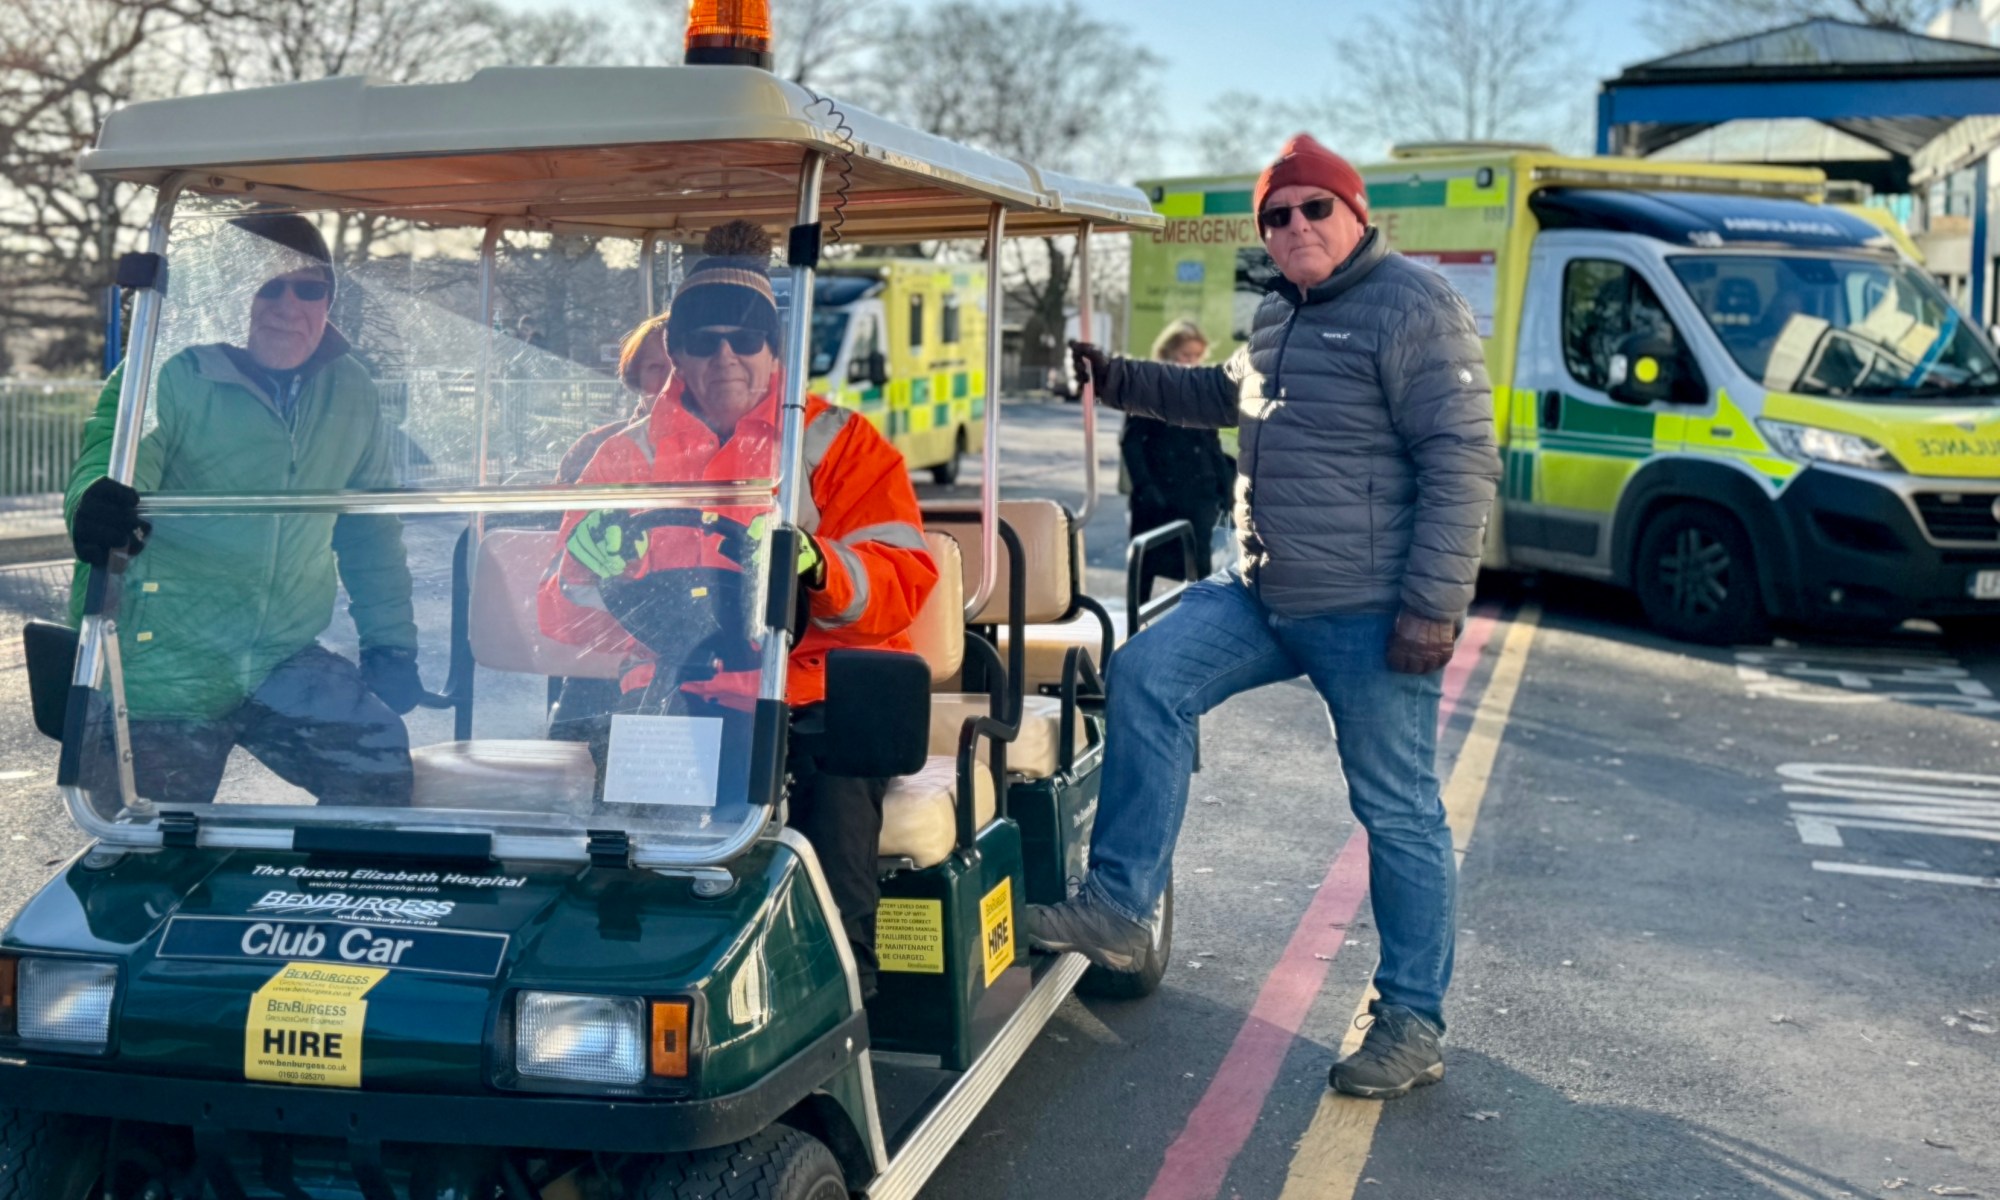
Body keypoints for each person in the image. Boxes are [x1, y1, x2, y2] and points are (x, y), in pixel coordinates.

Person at [1029, 134, 1501, 1100]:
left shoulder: (1416, 307)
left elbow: (1462, 465)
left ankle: (1412, 1018)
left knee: (1398, 811)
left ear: (1357, 213)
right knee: (1147, 674)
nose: (1294, 227)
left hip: (1372, 613)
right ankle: (1121, 904)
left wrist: (1431, 609)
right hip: (1263, 594)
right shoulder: (1280, 316)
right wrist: (1114, 377)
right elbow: (1219, 395)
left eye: (1313, 208)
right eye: (1276, 215)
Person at [540, 220, 937, 997]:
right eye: (705, 340)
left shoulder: (836, 445)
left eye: (746, 339)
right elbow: (563, 614)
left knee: (828, 858)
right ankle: (615, 1011)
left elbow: (904, 581)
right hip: (671, 698)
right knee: (623, 868)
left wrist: (818, 565)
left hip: (810, 697)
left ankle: (836, 1006)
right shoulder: (622, 455)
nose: (726, 357)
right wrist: (580, 570)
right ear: (677, 350)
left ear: (773, 346)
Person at [65, 212, 423, 807]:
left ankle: (320, 900)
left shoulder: (350, 387)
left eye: (309, 288)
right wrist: (96, 508)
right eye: (266, 285)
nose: (289, 305)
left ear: (329, 299)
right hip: (165, 663)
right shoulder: (164, 372)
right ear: (228, 293)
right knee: (147, 841)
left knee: (376, 767)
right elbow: (111, 463)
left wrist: (391, 642)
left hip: (279, 657)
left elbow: (369, 529)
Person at [1121, 320, 1234, 602]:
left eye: (1197, 356)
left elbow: (1211, 444)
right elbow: (1132, 442)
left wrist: (1225, 487)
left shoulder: (1201, 389)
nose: (1192, 362)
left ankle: (1199, 623)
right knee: (1147, 565)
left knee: (1201, 565)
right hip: (1161, 495)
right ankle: (1138, 626)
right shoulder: (1149, 387)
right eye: (1186, 355)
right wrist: (1146, 488)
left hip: (1200, 494)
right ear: (1168, 352)